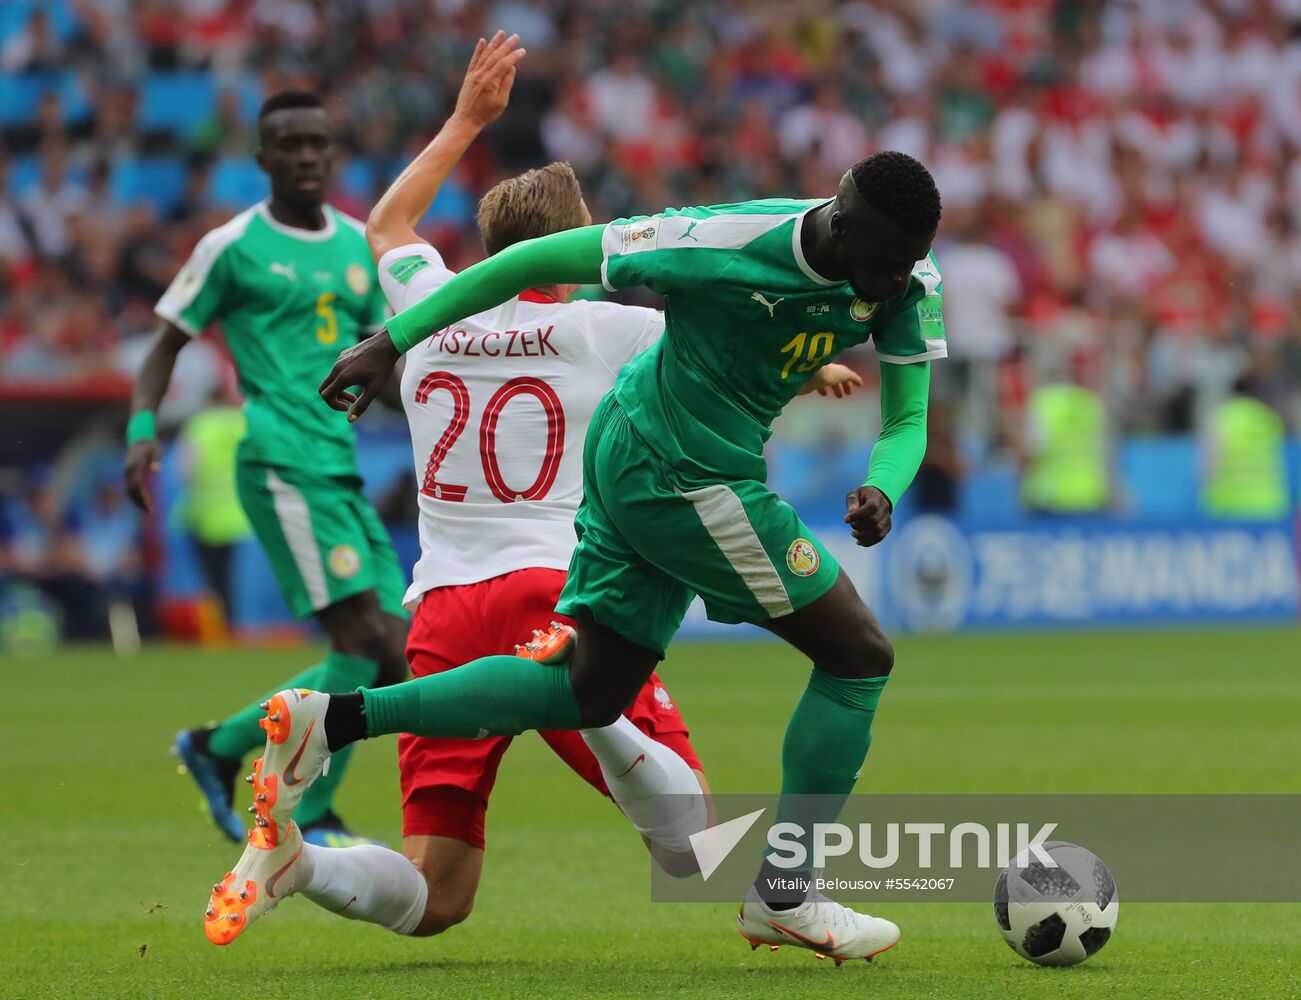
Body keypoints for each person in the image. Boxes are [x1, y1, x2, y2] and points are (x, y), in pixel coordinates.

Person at [203, 33, 864, 947]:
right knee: (699, 847)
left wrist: (467, 120)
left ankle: (298, 860)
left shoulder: (424, 312)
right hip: (559, 595)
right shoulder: (609, 325)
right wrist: (812, 366)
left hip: (440, 606)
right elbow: (719, 354)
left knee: (437, 895)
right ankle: (595, 723)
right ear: (573, 244)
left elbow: (386, 228)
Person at [124, 90, 409, 847]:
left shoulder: (358, 244)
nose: (306, 156)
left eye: (318, 142)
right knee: (364, 640)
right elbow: (164, 343)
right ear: (262, 160)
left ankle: (218, 748)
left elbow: (377, 361)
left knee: (394, 654)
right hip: (281, 461)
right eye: (289, 145)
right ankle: (308, 809)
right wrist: (142, 427)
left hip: (337, 464)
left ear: (333, 152)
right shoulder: (232, 245)